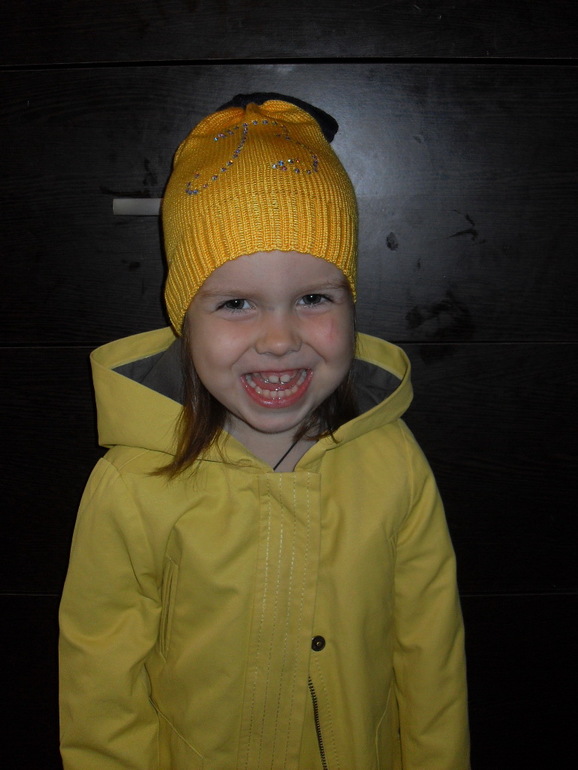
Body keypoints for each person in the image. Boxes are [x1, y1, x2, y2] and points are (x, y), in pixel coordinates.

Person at [59, 93, 470, 769]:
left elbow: (432, 658)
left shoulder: (395, 464)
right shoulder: (132, 483)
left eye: (313, 298)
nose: (279, 339)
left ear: (351, 304)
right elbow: (101, 686)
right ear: (184, 320)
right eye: (236, 303)